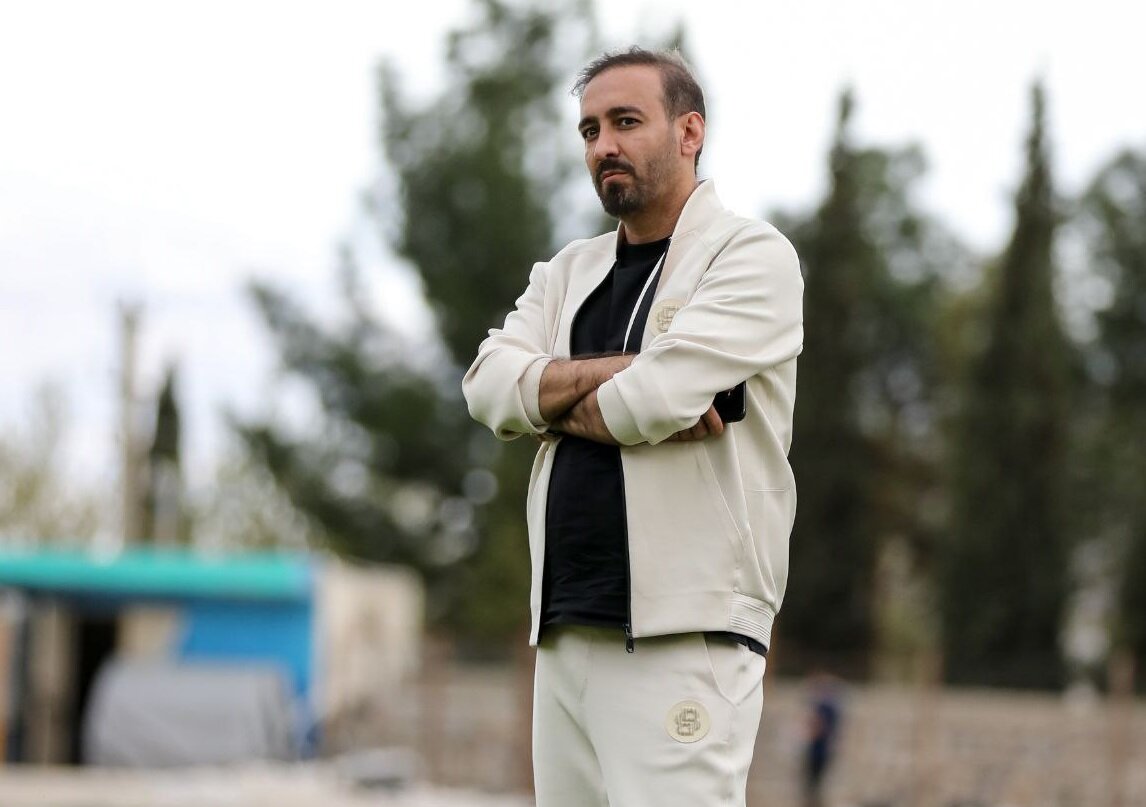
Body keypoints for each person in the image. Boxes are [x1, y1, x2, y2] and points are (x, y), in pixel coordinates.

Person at [463, 46, 803, 807]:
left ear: (690, 132)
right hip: (563, 632)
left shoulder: (751, 256)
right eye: (590, 130)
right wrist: (630, 375)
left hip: (687, 635)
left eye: (625, 122)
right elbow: (487, 388)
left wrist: (547, 402)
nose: (603, 146)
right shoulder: (566, 271)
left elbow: (650, 401)